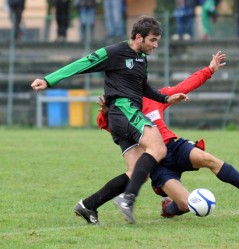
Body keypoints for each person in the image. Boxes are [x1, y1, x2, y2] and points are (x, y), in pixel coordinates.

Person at [73, 51, 239, 224]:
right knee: (186, 205)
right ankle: (169, 207)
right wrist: (106, 113)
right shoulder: (121, 110)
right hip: (156, 164)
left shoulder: (155, 98)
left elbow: (185, 85)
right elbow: (109, 128)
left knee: (209, 160)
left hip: (174, 147)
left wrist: (210, 70)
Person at [31, 15, 188, 224]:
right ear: (139, 37)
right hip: (124, 110)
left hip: (122, 117)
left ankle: (88, 206)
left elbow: (143, 88)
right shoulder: (114, 52)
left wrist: (166, 98)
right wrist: (49, 80)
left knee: (137, 172)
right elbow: (82, 64)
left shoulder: (142, 58)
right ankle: (128, 198)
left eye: (157, 40)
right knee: (158, 149)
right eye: (152, 40)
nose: (156, 45)